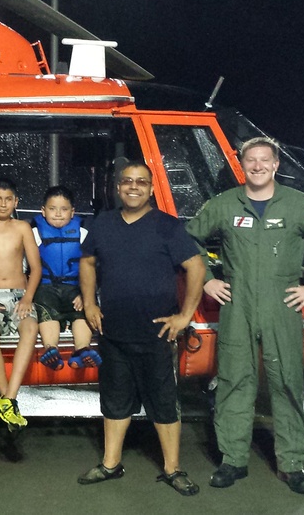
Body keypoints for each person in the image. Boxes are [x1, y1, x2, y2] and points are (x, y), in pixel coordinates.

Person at [185, 137, 304, 494]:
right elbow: (189, 238)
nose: (257, 166)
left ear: (276, 164)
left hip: (283, 302)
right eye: (250, 160)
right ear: (242, 164)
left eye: (264, 160)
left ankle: (293, 463)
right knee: (234, 381)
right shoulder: (223, 204)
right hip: (237, 302)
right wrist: (207, 280)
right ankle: (233, 460)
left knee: (287, 381)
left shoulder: (300, 205)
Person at [78, 161, 205, 496]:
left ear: (151, 188)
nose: (133, 187)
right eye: (127, 181)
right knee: (115, 401)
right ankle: (110, 464)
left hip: (157, 334)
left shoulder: (167, 226)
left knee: (163, 402)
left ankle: (173, 469)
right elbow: (87, 262)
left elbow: (196, 266)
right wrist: (90, 303)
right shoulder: (103, 224)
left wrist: (185, 315)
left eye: (141, 182)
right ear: (118, 187)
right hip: (113, 332)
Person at [0, 178, 42, 431]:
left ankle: (9, 398)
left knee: (30, 329)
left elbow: (35, 269)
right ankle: (7, 401)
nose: (3, 204)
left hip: (19, 295)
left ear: (16, 202)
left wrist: (27, 298)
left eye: (9, 199)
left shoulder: (23, 227)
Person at [32, 186, 100, 370]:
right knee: (47, 310)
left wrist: (86, 296)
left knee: (82, 312)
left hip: (76, 288)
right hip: (46, 287)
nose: (58, 214)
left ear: (73, 212)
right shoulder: (34, 232)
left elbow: (94, 266)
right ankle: (51, 349)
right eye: (52, 209)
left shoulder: (84, 231)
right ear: (43, 211)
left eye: (64, 209)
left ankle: (82, 350)